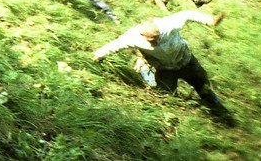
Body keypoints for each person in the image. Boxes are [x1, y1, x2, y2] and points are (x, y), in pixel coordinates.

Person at [92, 11, 232, 121]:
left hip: (186, 61)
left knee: (203, 86)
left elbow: (188, 14)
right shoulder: (133, 36)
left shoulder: (169, 24)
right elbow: (115, 44)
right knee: (166, 95)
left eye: (158, 37)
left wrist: (210, 21)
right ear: (143, 35)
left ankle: (221, 113)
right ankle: (144, 69)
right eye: (152, 40)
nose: (156, 42)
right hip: (165, 68)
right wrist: (98, 55)